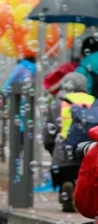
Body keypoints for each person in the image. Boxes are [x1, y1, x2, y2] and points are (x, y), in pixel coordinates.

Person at [43, 72, 93, 212]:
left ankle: (65, 191)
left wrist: (52, 150)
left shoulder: (57, 104)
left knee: (63, 175)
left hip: (63, 153)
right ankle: (79, 197)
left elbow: (48, 136)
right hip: (87, 152)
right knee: (85, 178)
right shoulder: (94, 102)